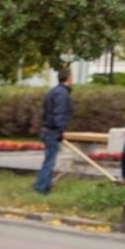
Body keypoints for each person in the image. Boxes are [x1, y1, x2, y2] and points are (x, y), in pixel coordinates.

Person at [34, 67, 73, 195]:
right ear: (68, 78)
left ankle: (45, 185)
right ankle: (41, 187)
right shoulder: (62, 94)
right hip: (52, 130)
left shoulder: (53, 91)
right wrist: (60, 130)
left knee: (49, 159)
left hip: (47, 129)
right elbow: (59, 113)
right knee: (50, 161)